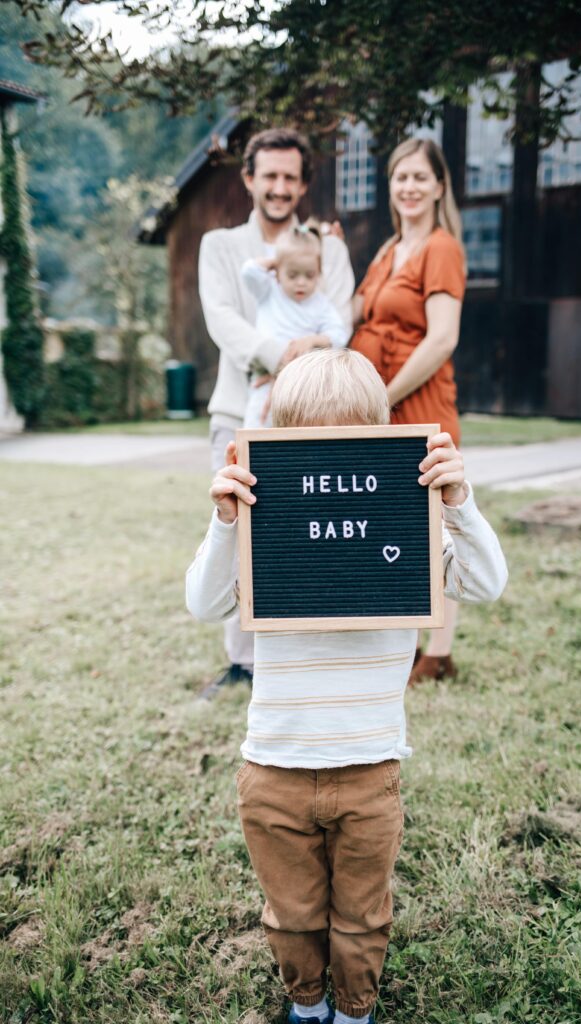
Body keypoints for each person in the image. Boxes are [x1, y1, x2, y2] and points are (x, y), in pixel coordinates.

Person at [186, 349, 507, 1024]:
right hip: (275, 765)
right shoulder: (263, 519)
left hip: (369, 769)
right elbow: (204, 603)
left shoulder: (407, 521)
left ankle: (354, 1009)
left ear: (380, 436)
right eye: (306, 447)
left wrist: (458, 505)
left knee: (362, 913)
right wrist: (223, 525)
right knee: (293, 912)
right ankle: (306, 1004)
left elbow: (484, 584)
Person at [198, 128, 355, 688]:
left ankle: (303, 657)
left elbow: (340, 323)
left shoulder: (328, 249)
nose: (280, 187)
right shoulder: (220, 247)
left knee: (303, 533)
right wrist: (282, 351)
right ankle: (242, 664)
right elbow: (222, 319)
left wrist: (301, 360)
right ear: (249, 178)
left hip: (313, 414)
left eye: (291, 177)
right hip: (239, 408)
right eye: (270, 175)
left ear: (304, 183)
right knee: (241, 531)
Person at [350, 137, 467, 685]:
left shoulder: (441, 248)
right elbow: (350, 313)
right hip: (379, 403)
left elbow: (442, 338)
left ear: (439, 185)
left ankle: (440, 654)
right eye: (401, 177)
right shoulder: (384, 251)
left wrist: (387, 394)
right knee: (394, 521)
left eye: (421, 177)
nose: (410, 187)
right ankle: (406, 642)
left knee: (435, 521)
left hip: (416, 400)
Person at [242, 221, 350, 428]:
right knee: (259, 421)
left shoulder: (320, 303)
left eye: (309, 275)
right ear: (277, 272)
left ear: (318, 272)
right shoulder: (269, 291)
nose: (301, 282)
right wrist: (278, 260)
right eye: (292, 275)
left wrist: (313, 340)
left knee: (297, 427)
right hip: (266, 374)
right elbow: (249, 271)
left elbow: (339, 335)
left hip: (303, 381)